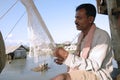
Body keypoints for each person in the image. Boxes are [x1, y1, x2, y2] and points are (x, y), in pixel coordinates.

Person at [51, 3, 113, 80]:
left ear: (90, 19)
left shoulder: (102, 36)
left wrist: (67, 56)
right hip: (84, 72)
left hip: (99, 74)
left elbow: (94, 66)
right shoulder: (81, 36)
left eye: (79, 18)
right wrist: (64, 60)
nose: (75, 21)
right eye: (75, 18)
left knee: (61, 78)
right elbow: (79, 57)